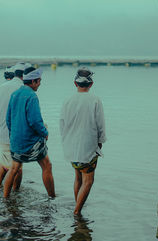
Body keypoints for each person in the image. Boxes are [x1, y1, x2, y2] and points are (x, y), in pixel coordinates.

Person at [59, 67, 106, 215]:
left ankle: (77, 204)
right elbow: (100, 125)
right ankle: (77, 212)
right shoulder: (95, 100)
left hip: (71, 147)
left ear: (75, 83)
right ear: (91, 84)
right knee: (89, 181)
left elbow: (62, 124)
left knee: (78, 176)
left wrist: (66, 141)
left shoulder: (67, 100)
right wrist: (100, 142)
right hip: (88, 147)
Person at [3, 66, 55, 198]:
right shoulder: (32, 96)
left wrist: (13, 135)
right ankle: (52, 197)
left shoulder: (14, 94)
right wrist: (45, 133)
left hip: (15, 140)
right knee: (47, 166)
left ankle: (5, 197)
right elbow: (35, 121)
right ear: (33, 82)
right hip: (30, 142)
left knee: (14, 168)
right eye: (39, 81)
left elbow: (8, 119)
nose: (40, 83)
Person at [0, 62, 29, 189]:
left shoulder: (2, 87)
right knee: (17, 168)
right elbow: (24, 115)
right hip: (14, 134)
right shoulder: (23, 89)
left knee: (4, 161)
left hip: (0, 131)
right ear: (25, 76)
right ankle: (14, 195)